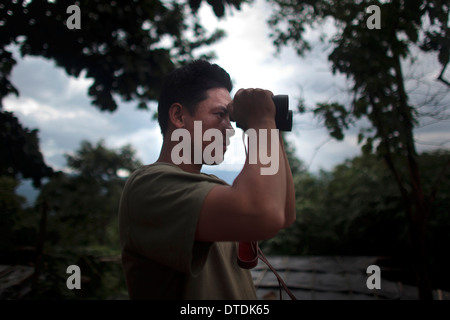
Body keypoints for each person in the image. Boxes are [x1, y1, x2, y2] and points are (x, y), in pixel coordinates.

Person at [118, 60, 296, 299]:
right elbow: (265, 213)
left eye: (229, 117)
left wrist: (271, 125)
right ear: (179, 116)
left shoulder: (214, 189)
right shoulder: (148, 187)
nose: (229, 129)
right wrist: (261, 123)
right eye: (220, 114)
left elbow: (283, 213)